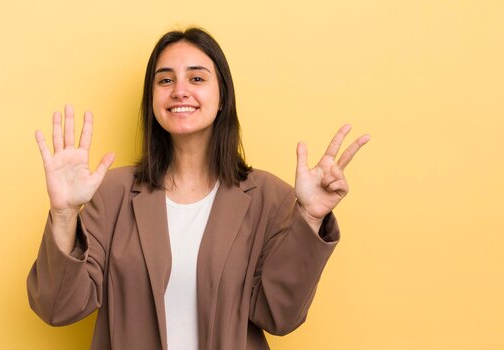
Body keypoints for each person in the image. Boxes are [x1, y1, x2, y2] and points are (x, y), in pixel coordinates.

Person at [27, 27, 369, 350]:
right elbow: (58, 308)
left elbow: (279, 316)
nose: (179, 90)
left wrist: (308, 217)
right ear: (153, 100)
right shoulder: (111, 193)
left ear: (222, 97)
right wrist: (64, 214)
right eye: (165, 80)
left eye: (197, 78)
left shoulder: (269, 197)